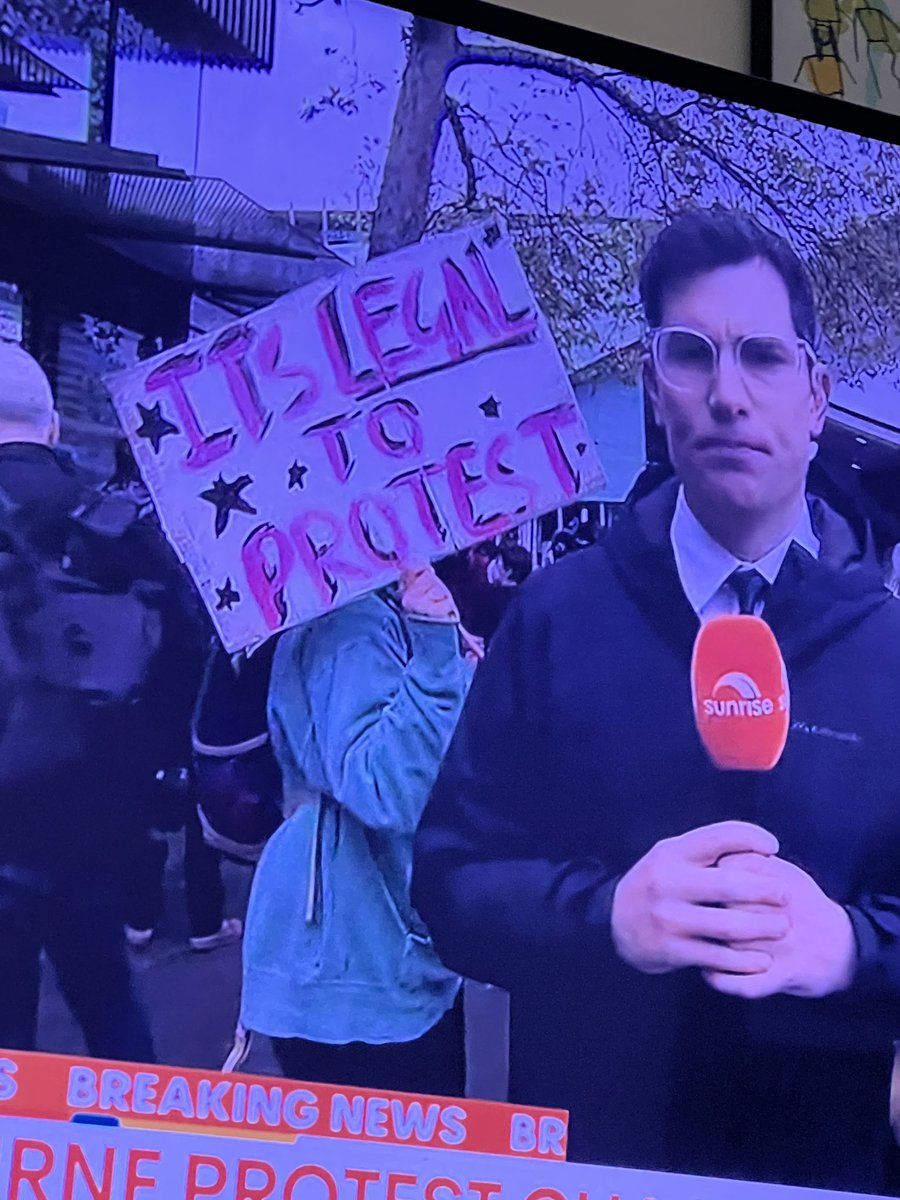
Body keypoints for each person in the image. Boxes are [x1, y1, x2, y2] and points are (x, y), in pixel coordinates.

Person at [413, 208, 900, 1194]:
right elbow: (450, 885)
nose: (727, 395)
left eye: (763, 357)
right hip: (597, 1158)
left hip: (820, 1165)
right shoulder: (556, 615)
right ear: (651, 384)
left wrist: (852, 946)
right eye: (692, 355)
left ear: (815, 396)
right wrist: (606, 919)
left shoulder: (888, 645)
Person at [238, 565, 473, 1096]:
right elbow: (388, 788)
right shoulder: (353, 622)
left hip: (359, 953)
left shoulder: (357, 609)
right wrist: (437, 657)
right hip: (359, 962)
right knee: (405, 1171)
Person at [0, 343, 154, 1060]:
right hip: (88, 823)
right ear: (55, 426)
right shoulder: (110, 522)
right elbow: (181, 646)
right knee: (112, 1015)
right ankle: (140, 1160)